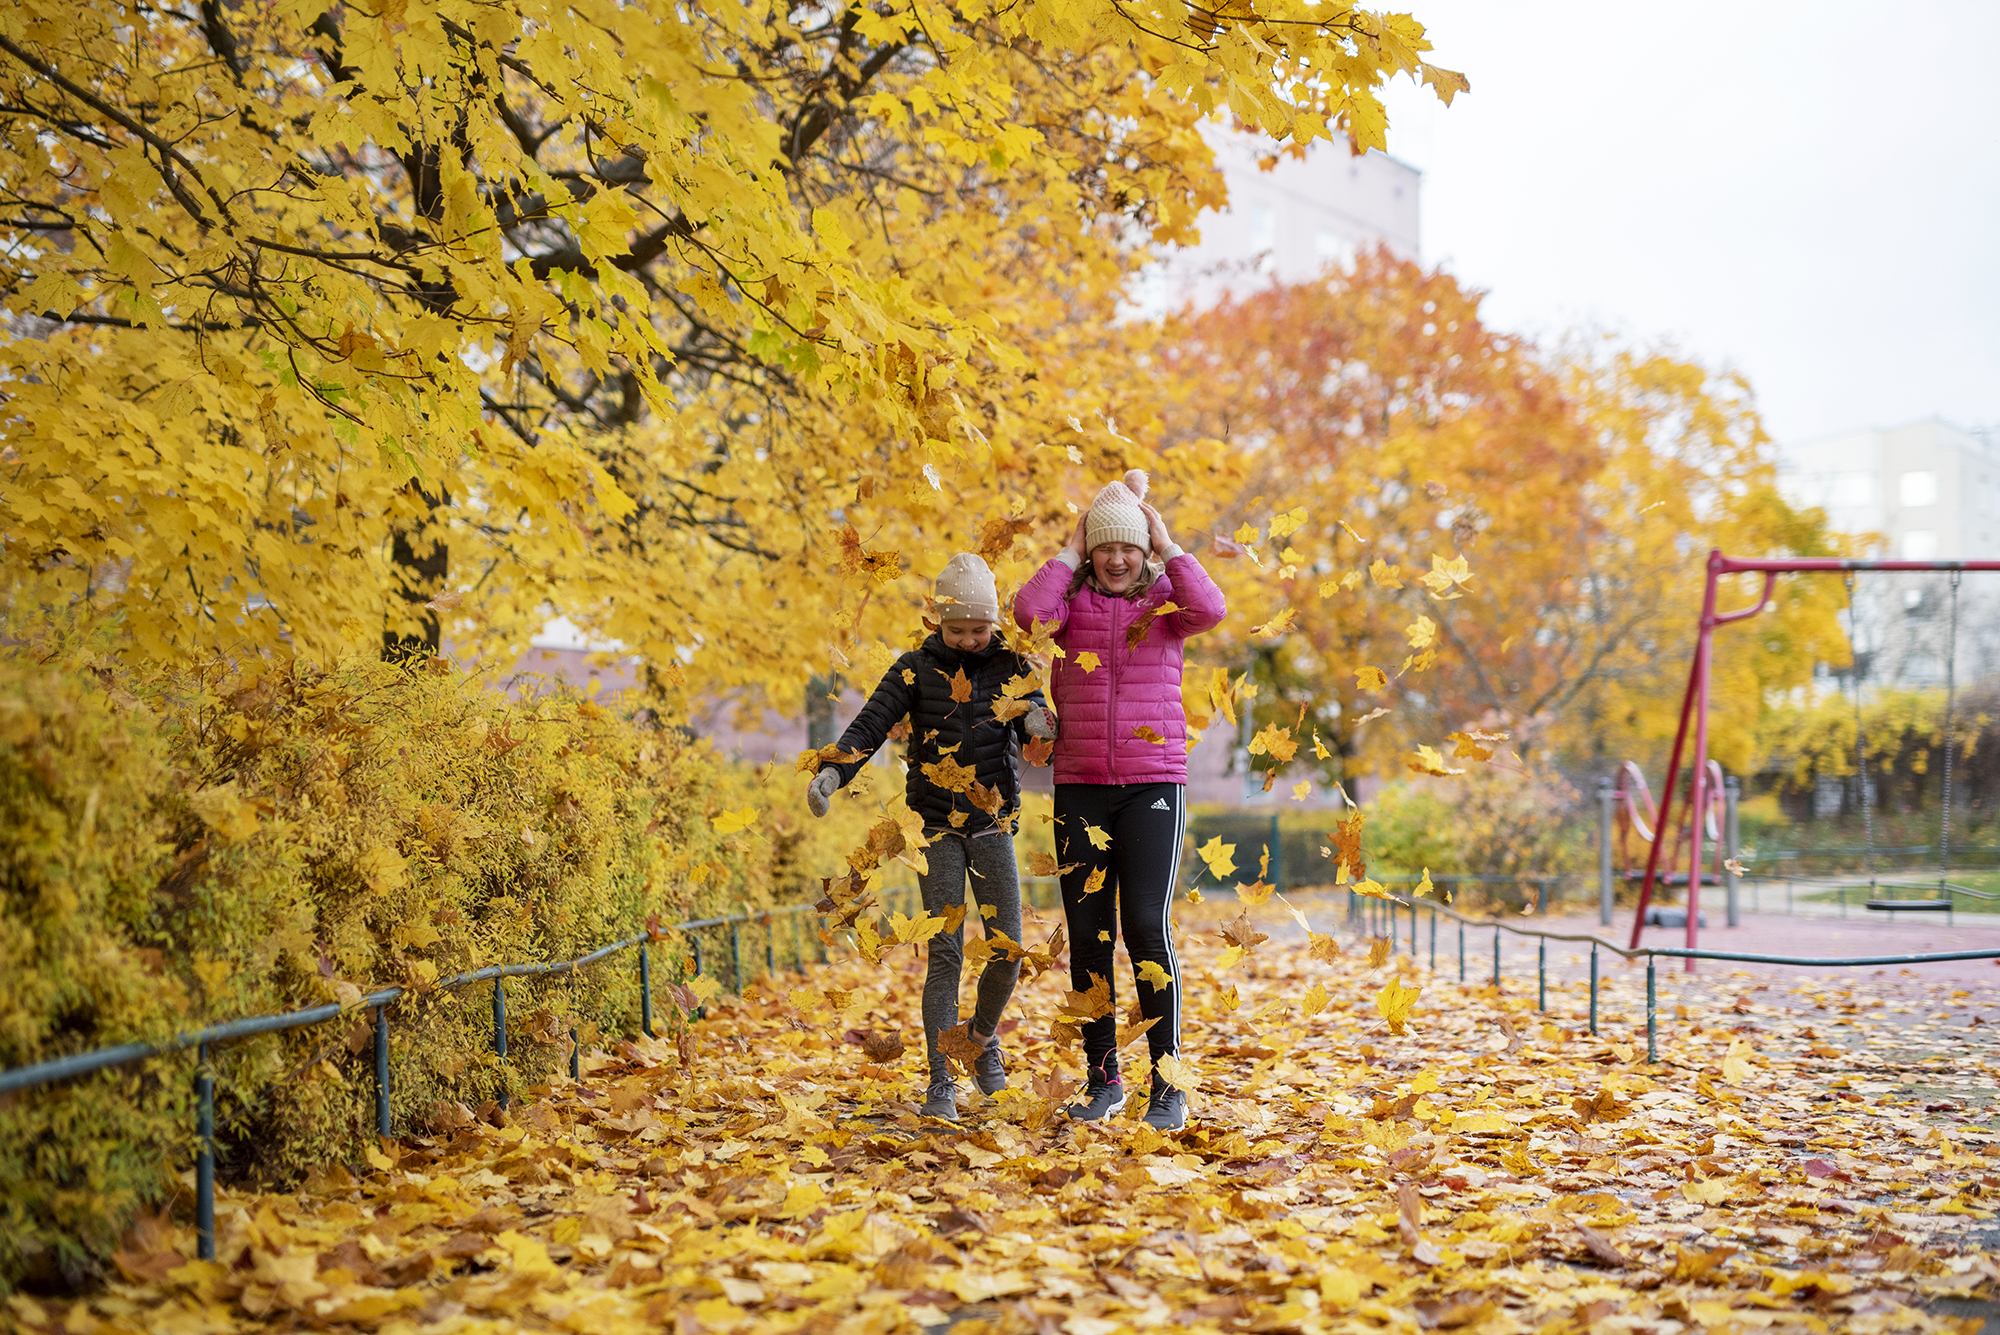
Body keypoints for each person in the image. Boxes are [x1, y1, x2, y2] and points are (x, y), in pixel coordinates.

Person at [805, 552, 1056, 1121]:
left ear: (994, 624)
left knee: (1007, 950)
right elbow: (871, 723)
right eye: (956, 629)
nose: (968, 639)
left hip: (992, 826)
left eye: (979, 629)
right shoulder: (914, 669)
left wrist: (1039, 719)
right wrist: (833, 771)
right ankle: (941, 1080)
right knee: (945, 953)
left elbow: (1036, 715)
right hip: (936, 829)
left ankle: (981, 1038)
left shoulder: (1013, 665)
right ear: (937, 623)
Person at [1012, 470, 1225, 1131]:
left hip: (1153, 783)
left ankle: (1170, 1083)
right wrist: (1070, 549)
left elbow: (1212, 608)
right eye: (1106, 546)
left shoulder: (1166, 603)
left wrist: (1167, 543)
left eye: (1128, 546)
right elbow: (1027, 613)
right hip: (1080, 786)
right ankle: (1103, 1080)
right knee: (1089, 935)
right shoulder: (1069, 609)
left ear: (1143, 549)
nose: (1117, 557)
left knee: (1144, 925)